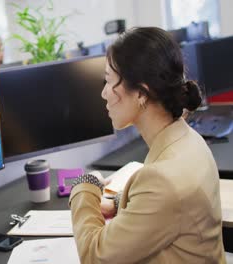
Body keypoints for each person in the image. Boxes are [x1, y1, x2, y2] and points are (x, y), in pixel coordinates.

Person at [69, 27, 225, 263]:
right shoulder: (189, 139)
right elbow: (171, 209)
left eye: (109, 82)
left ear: (142, 92)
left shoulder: (163, 180)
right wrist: (119, 203)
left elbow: (94, 256)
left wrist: (85, 187)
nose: (103, 93)